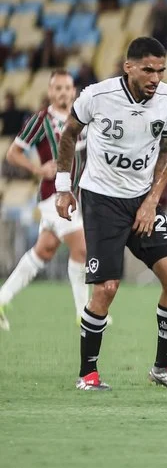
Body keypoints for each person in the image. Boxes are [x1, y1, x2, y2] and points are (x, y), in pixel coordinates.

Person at [55, 37, 167, 391]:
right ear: (128, 66)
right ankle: (88, 373)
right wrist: (62, 187)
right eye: (148, 69)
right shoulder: (97, 96)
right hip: (102, 200)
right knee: (107, 288)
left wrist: (151, 200)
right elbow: (69, 135)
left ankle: (163, 367)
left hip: (142, 200)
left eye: (161, 70)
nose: (155, 78)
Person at [0, 70, 89, 331]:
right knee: (81, 248)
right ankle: (84, 314)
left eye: (67, 88)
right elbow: (12, 153)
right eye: (57, 88)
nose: (63, 92)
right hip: (53, 195)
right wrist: (39, 170)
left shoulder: (81, 119)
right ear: (50, 92)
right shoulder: (41, 120)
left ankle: (2, 298)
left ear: (74, 91)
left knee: (45, 249)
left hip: (75, 196)